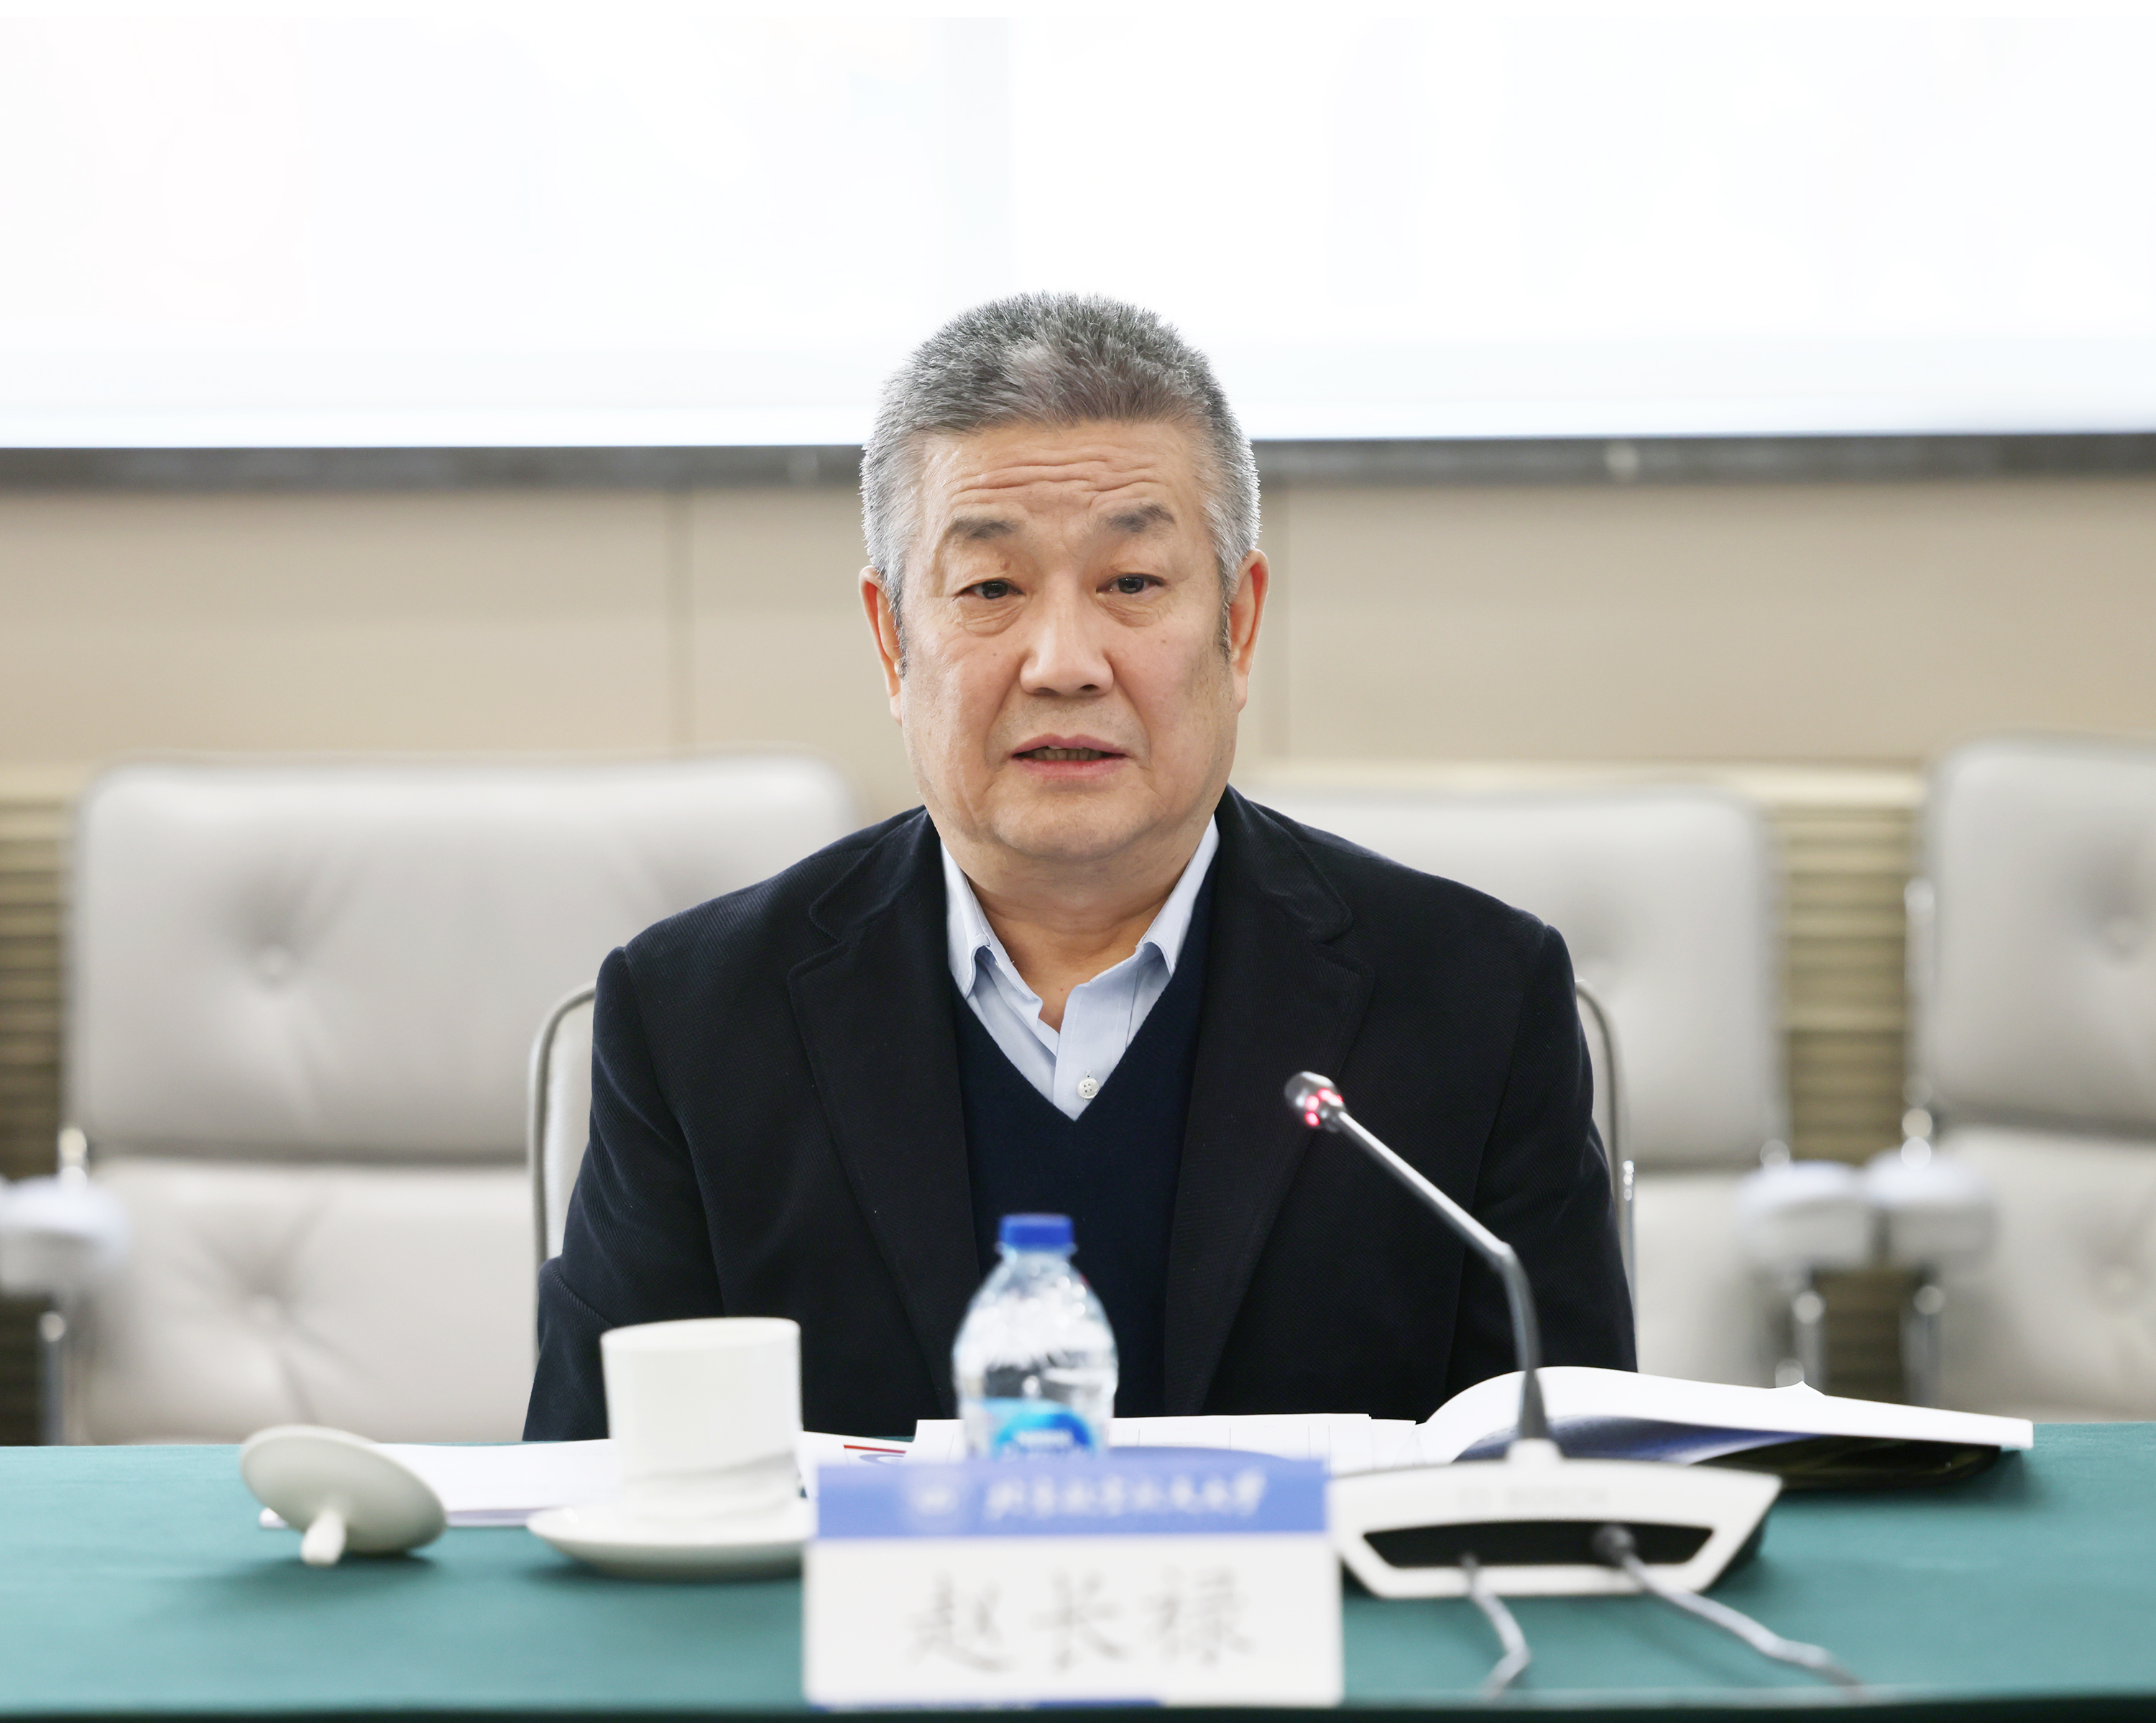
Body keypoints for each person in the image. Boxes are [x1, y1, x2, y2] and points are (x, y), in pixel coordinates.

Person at [525, 294, 1632, 1441]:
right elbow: (586, 1478)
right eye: (991, 589)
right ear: (892, 641)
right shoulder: (699, 1017)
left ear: (1240, 624)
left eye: (1132, 583)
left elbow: (1585, 1489)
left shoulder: (1473, 999)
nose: (1063, 663)